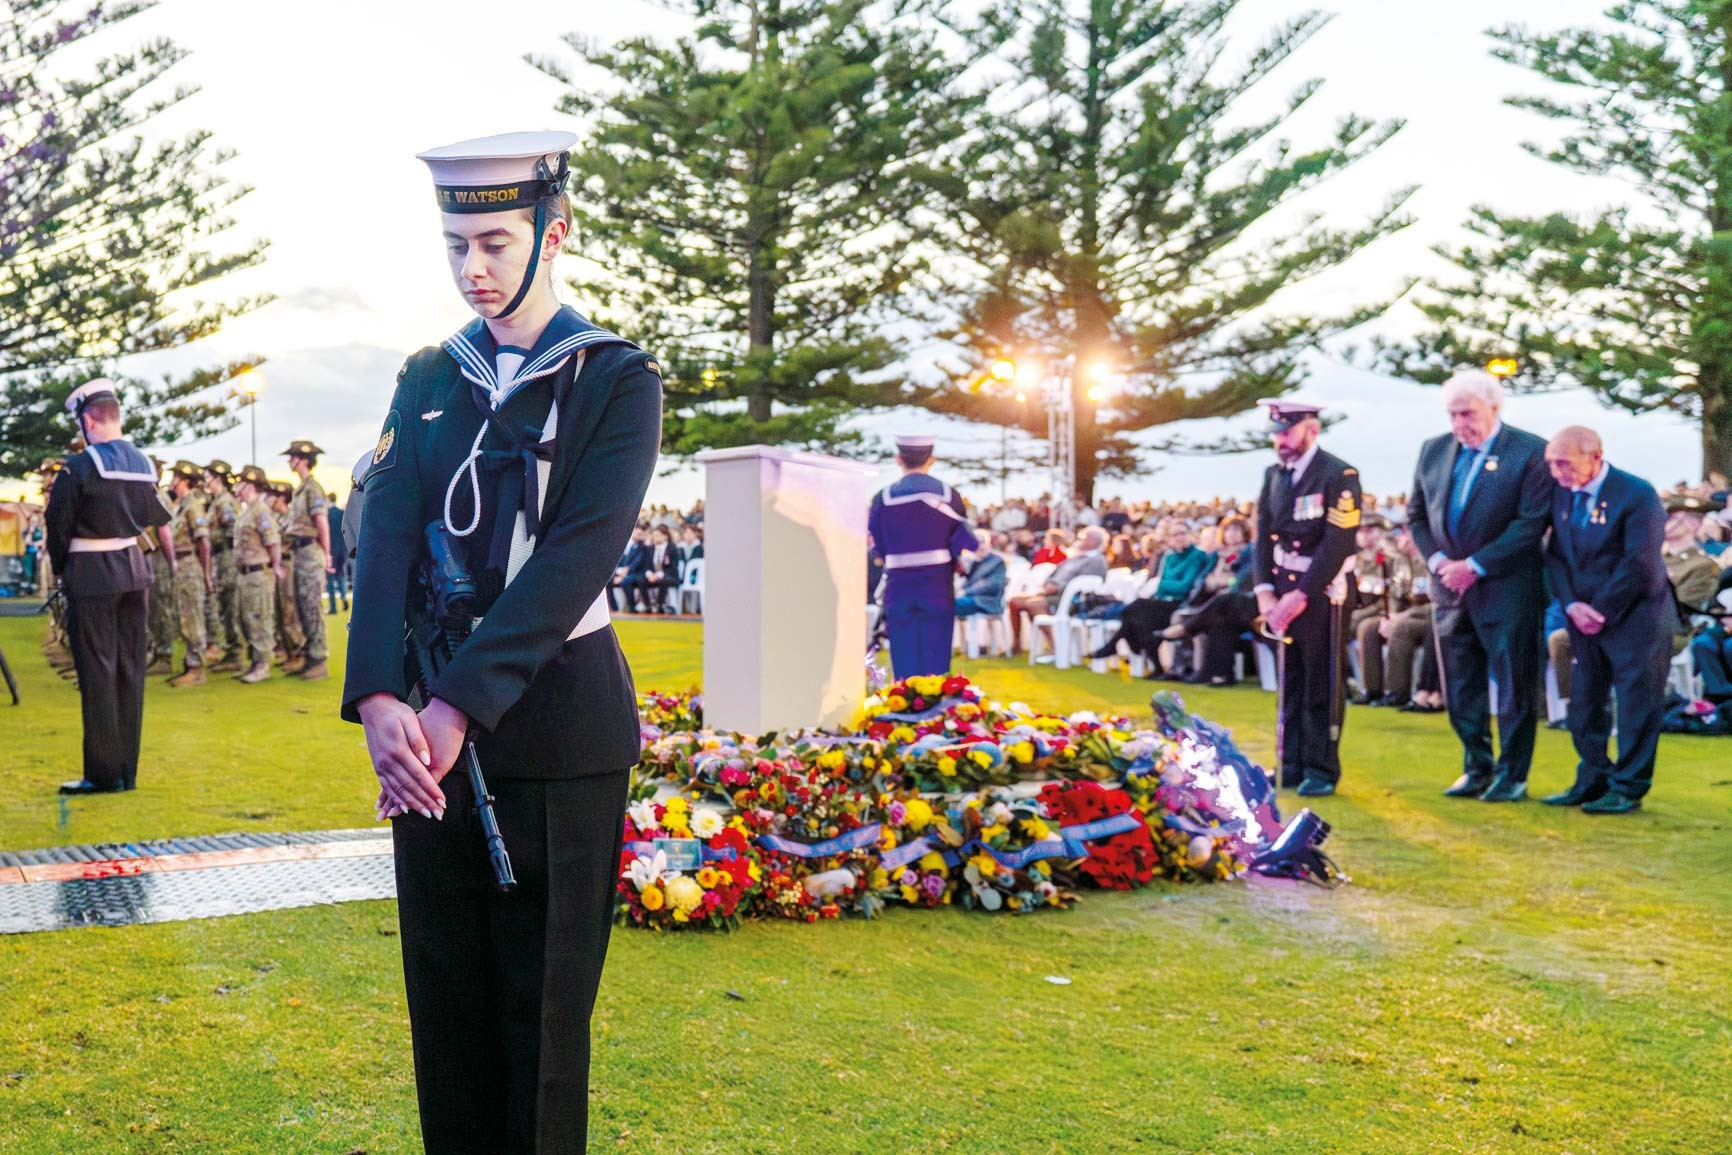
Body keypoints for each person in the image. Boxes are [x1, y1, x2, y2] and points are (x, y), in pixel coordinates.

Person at [343, 130, 662, 1153]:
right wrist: (382, 699)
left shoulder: (615, 377)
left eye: (492, 241)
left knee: (540, 1026)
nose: (472, 269)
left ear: (552, 234)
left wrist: (448, 709)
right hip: (425, 734)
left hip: (558, 729)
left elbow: (574, 559)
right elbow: (383, 531)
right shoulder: (429, 375)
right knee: (448, 1021)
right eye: (454, 247)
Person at [1406, 369, 1551, 803]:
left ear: (1494, 406)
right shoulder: (1433, 451)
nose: (1458, 424)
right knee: (1460, 683)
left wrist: (1476, 564)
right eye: (1452, 415)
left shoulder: (1529, 452)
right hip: (1449, 590)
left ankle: (1513, 773)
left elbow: (1530, 523)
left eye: (1466, 414)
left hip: (1508, 588)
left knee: (1514, 684)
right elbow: (1416, 516)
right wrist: (1439, 563)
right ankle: (1476, 766)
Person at [44, 380, 171, 794]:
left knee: (97, 673)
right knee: (130, 672)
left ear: (86, 419)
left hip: (93, 574)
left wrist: (63, 569)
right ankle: (126, 772)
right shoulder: (142, 463)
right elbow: (156, 514)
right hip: (134, 572)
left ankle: (102, 774)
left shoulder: (80, 467)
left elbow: (57, 524)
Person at [1542, 427, 1670, 814]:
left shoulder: (1636, 494)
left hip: (1636, 616)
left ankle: (1629, 785)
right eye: (1551, 463)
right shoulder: (1561, 493)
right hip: (1582, 615)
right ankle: (1592, 775)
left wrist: (1600, 609)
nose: (1557, 472)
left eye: (1565, 463)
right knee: (1585, 700)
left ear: (1595, 456)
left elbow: (1640, 563)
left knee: (1636, 703)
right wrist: (1571, 604)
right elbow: (1555, 556)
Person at [1252, 399, 1362, 796]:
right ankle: (1291, 762)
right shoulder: (1274, 475)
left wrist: (1300, 595)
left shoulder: (1338, 475)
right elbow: (1263, 537)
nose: (1279, 440)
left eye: (1287, 431)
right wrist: (1265, 593)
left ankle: (1321, 766)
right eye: (1276, 433)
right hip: (1282, 588)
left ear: (1311, 430)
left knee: (1322, 681)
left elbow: (1337, 542)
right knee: (1291, 679)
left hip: (1322, 590)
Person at [867, 434, 979, 678]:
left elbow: (877, 544)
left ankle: (904, 707)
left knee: (903, 651)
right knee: (936, 653)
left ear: (899, 460)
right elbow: (962, 539)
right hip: (937, 583)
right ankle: (937, 710)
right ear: (932, 459)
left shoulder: (882, 498)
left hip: (898, 582)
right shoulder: (949, 495)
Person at [1088, 521, 1210, 671]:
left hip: (1182, 604)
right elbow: (1162, 586)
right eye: (1175, 534)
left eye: (1182, 533)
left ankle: (1116, 647)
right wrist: (1166, 585)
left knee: (1134, 610)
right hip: (1163, 602)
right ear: (1170, 539)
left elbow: (1184, 586)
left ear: (1190, 535)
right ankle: (1150, 663)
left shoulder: (1197, 556)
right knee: (1134, 616)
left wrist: (1164, 584)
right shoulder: (1169, 557)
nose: (1179, 537)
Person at [1007, 525, 1109, 654]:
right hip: (1051, 594)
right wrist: (1048, 584)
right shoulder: (1074, 557)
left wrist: (1057, 587)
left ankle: (1055, 648)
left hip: (1071, 599)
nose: (1079, 540)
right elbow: (1054, 573)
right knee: (1015, 601)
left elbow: (1088, 585)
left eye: (1083, 538)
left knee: (1034, 604)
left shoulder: (1097, 560)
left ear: (1092, 541)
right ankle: (1017, 644)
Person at [281, 440, 333, 680]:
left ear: (302, 460)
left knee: (311, 605)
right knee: (302, 606)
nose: (290, 461)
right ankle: (309, 657)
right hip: (299, 552)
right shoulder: (300, 489)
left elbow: (321, 522)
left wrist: (327, 553)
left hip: (310, 551)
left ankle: (318, 659)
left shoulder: (312, 488)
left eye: (292, 457)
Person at [230, 466, 284, 683]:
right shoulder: (247, 510)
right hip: (245, 574)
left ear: (249, 485)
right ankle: (254, 662)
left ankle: (262, 664)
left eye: (240, 483)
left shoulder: (260, 510)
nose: (237, 487)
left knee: (259, 619)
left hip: (258, 573)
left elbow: (273, 541)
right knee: (246, 620)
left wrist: (276, 565)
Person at [163, 460, 212, 687]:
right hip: (182, 566)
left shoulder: (193, 506)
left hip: (191, 565)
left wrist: (206, 572)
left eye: (175, 477)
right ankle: (189, 664)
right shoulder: (180, 507)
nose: (172, 481)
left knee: (192, 618)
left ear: (183, 481)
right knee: (183, 616)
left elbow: (203, 541)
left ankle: (196, 668)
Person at [202, 460, 244, 671]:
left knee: (229, 605)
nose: (205, 482)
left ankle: (235, 653)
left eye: (208, 478)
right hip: (221, 558)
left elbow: (232, 532)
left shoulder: (225, 502)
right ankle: (230, 651)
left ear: (217, 479)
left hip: (227, 558)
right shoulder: (217, 501)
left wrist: (215, 538)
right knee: (224, 606)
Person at [623, 523, 681, 613]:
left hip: (669, 575)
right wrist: (650, 574)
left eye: (657, 535)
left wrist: (658, 575)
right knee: (640, 579)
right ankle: (647, 605)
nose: (655, 538)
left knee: (665, 580)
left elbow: (673, 567)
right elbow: (647, 565)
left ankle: (659, 604)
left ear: (665, 536)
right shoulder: (651, 548)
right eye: (654, 536)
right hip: (653, 575)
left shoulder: (672, 548)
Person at [955, 536, 1008, 620]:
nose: (980, 546)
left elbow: (993, 585)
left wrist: (965, 592)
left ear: (989, 545)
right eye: (977, 544)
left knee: (948, 606)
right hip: (970, 599)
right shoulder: (974, 561)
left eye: (983, 543)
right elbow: (966, 582)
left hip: (986, 602)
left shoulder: (997, 561)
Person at [326, 500, 349, 614]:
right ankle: (344, 597)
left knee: (330, 580)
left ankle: (333, 607)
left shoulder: (326, 515)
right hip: (342, 550)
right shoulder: (342, 513)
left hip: (331, 551)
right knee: (340, 576)